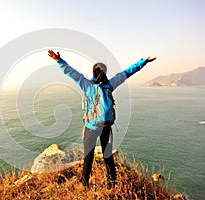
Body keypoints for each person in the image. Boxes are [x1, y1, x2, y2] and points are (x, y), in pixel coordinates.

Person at [48, 50, 156, 189]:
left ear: (93, 73)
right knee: (107, 156)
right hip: (106, 126)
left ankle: (84, 183)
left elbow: (71, 72)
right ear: (105, 72)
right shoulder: (109, 85)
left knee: (89, 157)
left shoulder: (86, 85)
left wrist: (59, 60)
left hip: (91, 127)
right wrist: (143, 61)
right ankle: (112, 183)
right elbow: (127, 72)